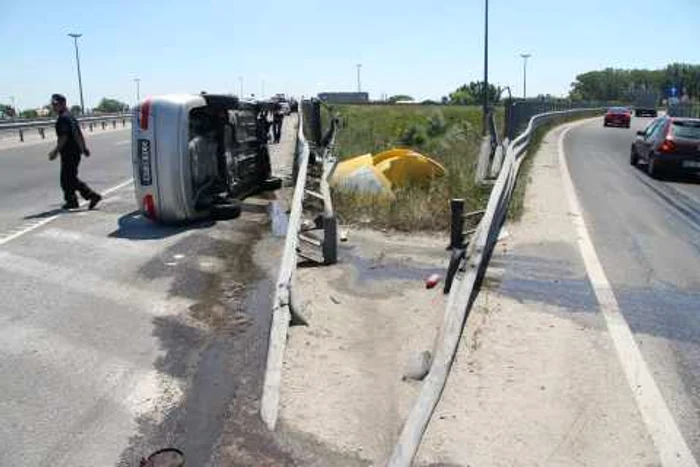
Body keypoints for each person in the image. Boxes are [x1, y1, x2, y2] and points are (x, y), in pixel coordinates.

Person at [47, 94, 102, 210]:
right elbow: (78, 134)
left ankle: (92, 195)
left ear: (63, 104)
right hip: (74, 152)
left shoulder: (63, 118)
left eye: (56, 104)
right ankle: (72, 201)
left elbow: (64, 136)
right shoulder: (70, 116)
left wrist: (55, 151)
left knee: (68, 179)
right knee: (68, 178)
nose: (54, 107)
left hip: (69, 152)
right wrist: (83, 148)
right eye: (53, 104)